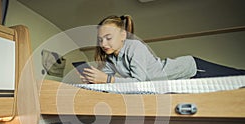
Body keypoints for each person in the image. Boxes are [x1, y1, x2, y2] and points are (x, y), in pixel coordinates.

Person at [81, 15, 245, 84]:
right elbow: (108, 80)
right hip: (179, 76)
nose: (103, 43)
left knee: (238, 76)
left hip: (191, 68)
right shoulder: (112, 58)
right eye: (100, 39)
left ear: (123, 35)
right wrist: (94, 80)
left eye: (108, 38)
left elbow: (140, 82)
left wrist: (107, 80)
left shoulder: (134, 47)